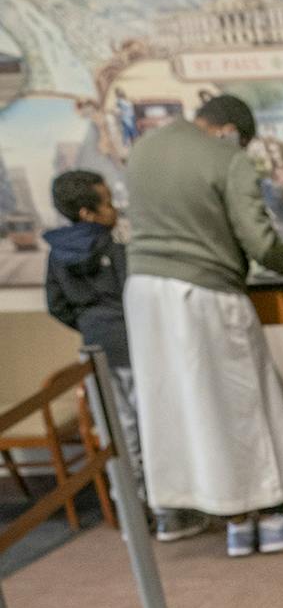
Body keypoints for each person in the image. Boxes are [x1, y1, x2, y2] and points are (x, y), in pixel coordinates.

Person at [122, 93, 283, 557]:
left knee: (186, 410)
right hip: (204, 292)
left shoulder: (145, 149)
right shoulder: (226, 157)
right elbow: (259, 240)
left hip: (146, 293)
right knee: (241, 404)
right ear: (231, 129)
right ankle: (272, 519)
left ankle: (233, 522)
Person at [44, 170, 208, 543]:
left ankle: (131, 515)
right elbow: (134, 293)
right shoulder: (113, 246)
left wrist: (89, 324)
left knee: (116, 434)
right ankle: (167, 512)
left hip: (94, 350)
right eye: (106, 202)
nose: (114, 208)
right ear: (88, 212)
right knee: (153, 427)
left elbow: (56, 305)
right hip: (133, 346)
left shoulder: (56, 253)